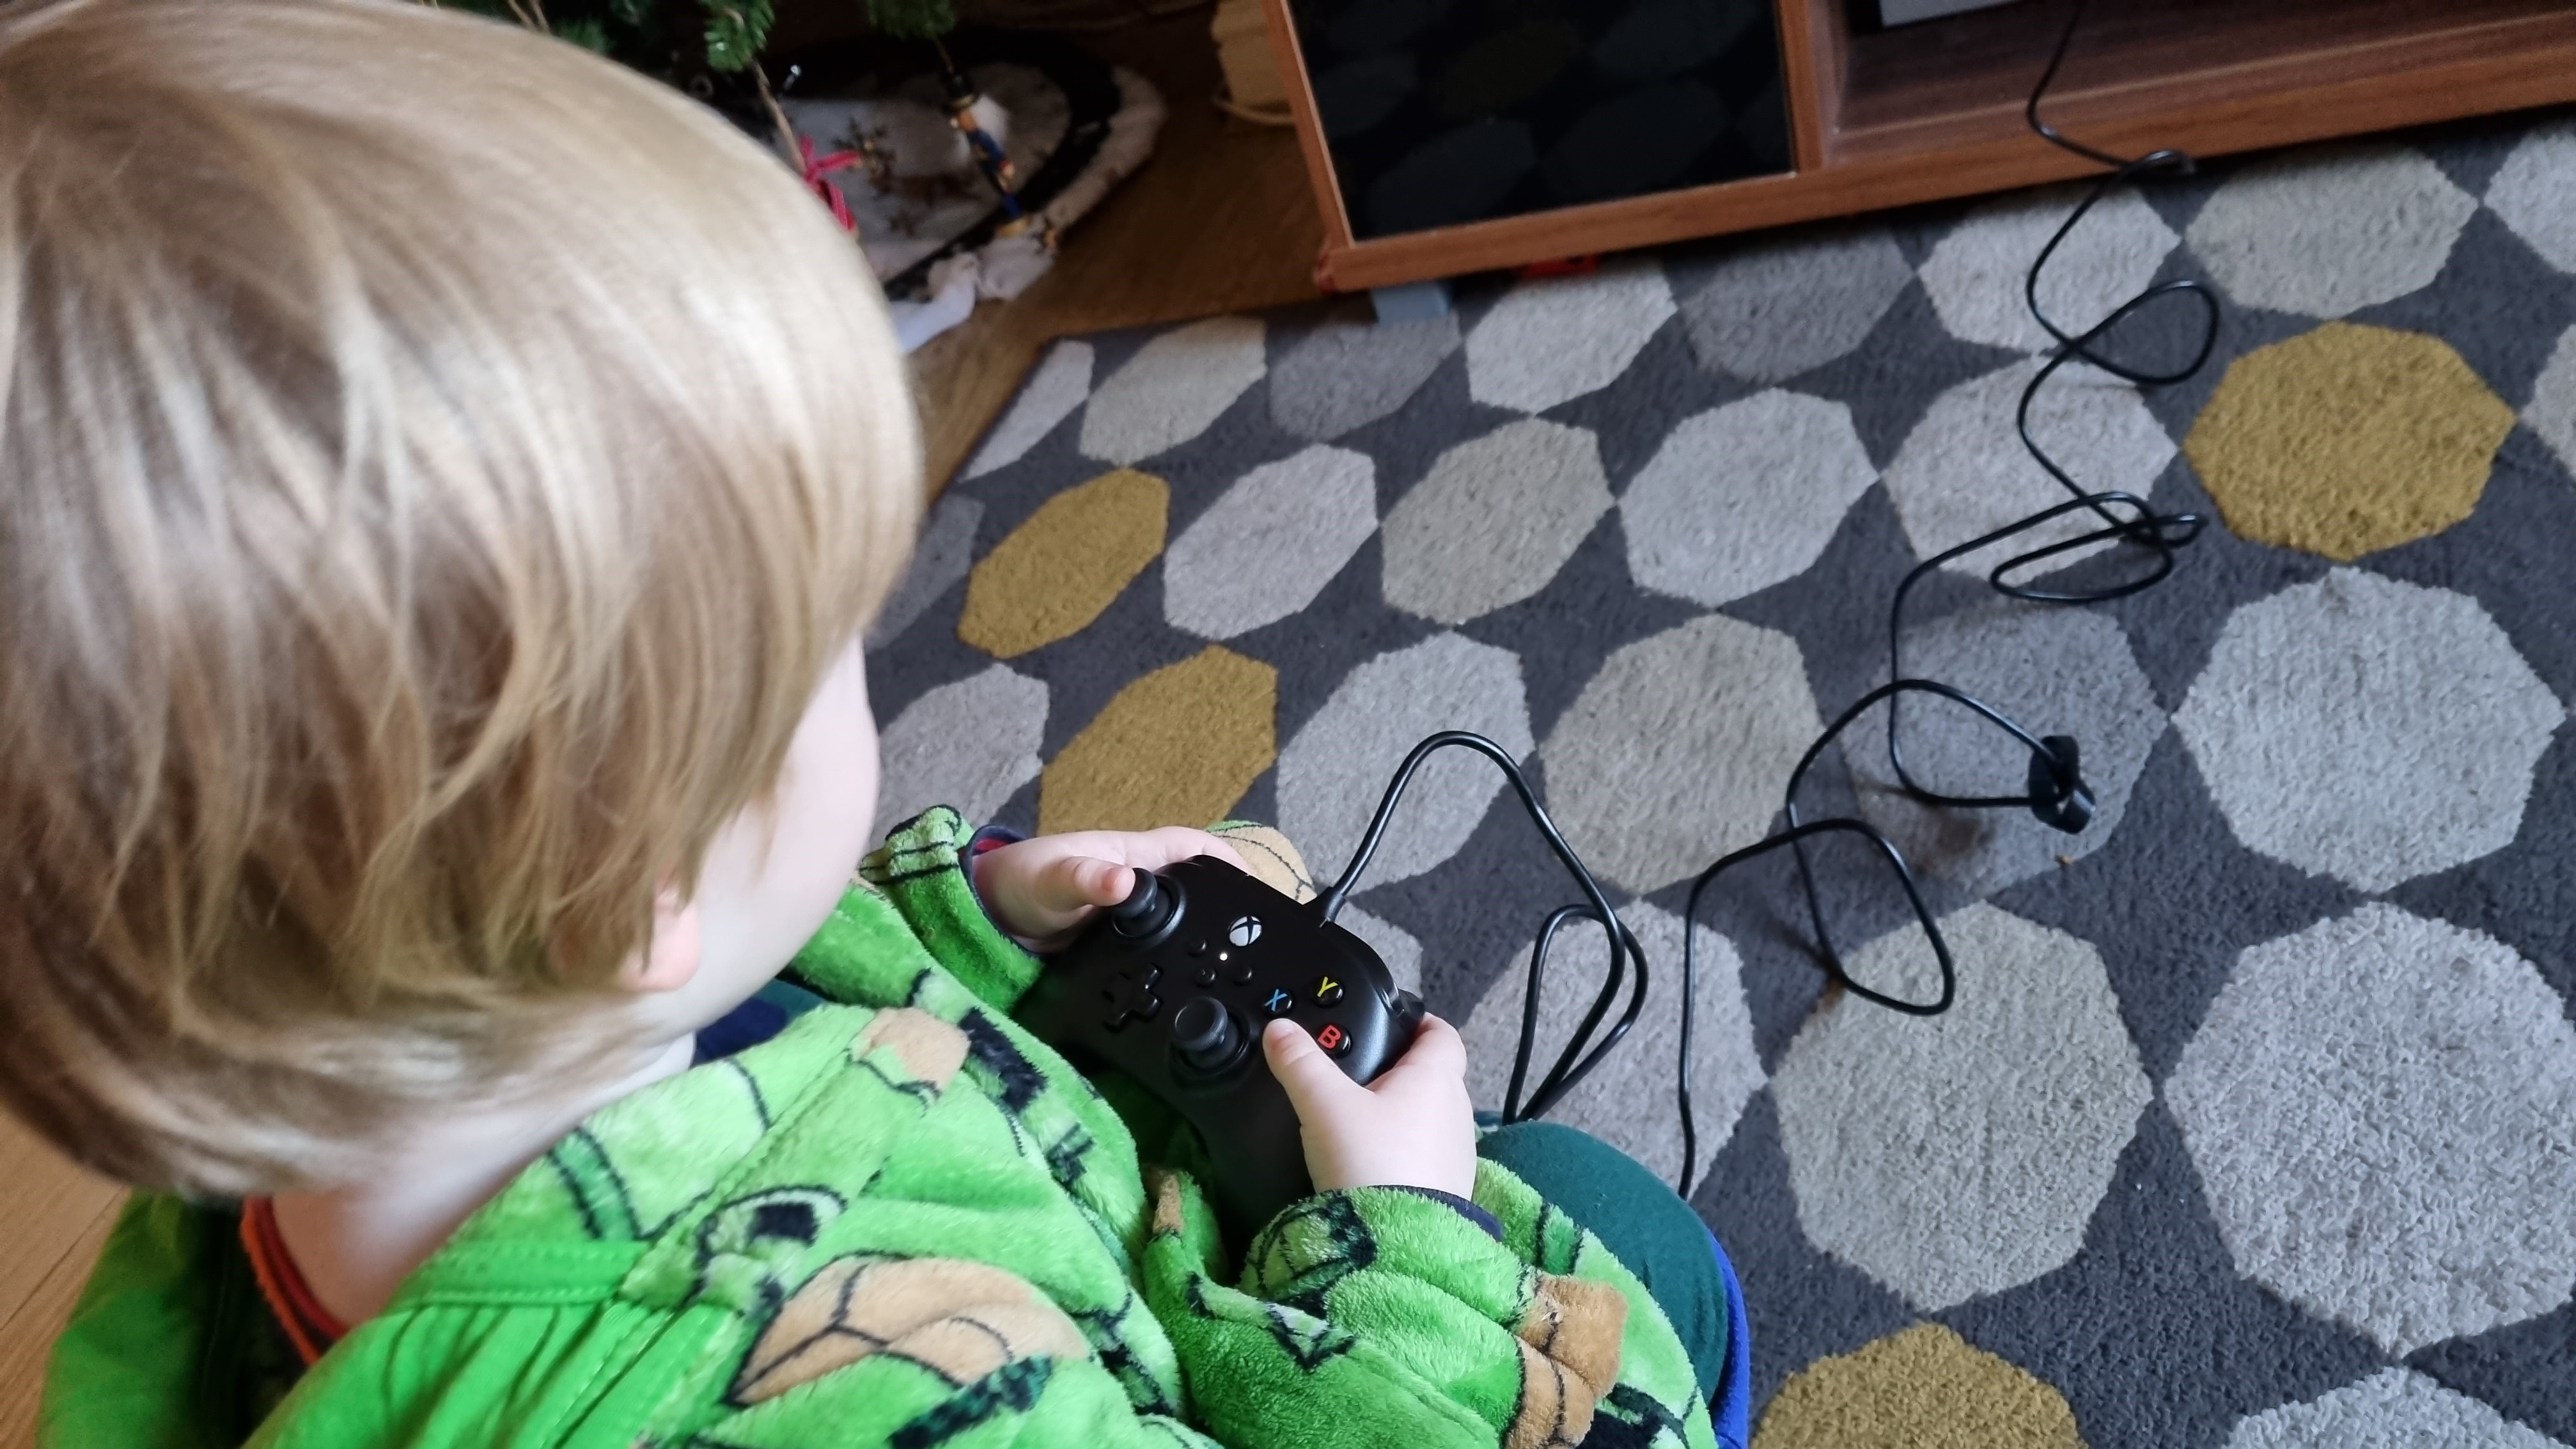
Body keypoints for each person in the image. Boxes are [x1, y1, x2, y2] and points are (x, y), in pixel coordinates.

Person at [2, 1, 1744, 1444]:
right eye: (833, 640)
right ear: (630, 887)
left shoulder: (340, 1094)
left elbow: (743, 972)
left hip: (1009, 1198)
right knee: (1639, 1240)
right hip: (1219, 1350)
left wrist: (978, 917)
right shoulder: (856, 1404)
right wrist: (1408, 1251)